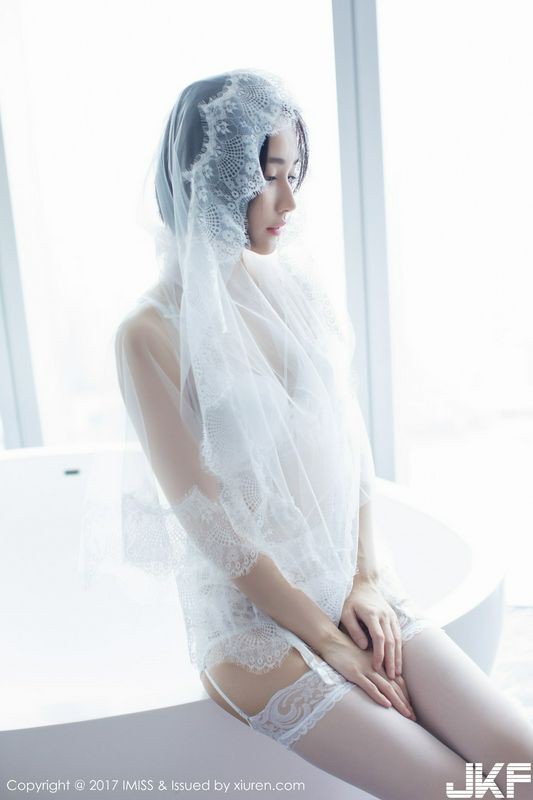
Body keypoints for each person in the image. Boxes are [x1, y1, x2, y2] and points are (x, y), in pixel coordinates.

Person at [110, 70, 533, 799]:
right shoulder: (149, 332)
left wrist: (364, 580)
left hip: (348, 590)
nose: (289, 202)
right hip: (254, 629)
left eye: (294, 175)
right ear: (217, 177)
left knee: (518, 769)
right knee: (457, 790)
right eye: (269, 177)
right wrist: (330, 642)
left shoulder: (297, 290)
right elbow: (210, 524)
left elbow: (350, 445)